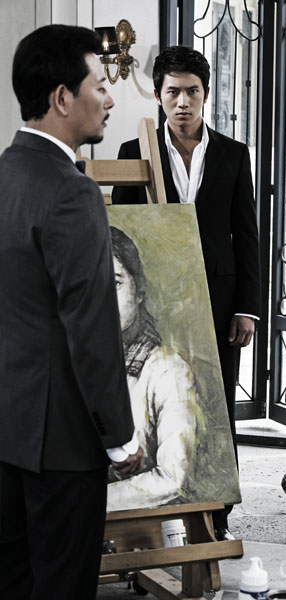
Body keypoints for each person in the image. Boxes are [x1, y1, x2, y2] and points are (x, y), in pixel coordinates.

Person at [0, 24, 142, 600]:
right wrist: (120, 438)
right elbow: (92, 328)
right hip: (62, 443)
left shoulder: (6, 173)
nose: (109, 100)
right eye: (99, 86)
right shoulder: (71, 190)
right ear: (62, 98)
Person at [112, 45, 261, 540]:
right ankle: (150, 516)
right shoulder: (134, 152)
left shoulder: (234, 154)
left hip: (220, 304)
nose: (182, 102)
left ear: (206, 94)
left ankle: (217, 517)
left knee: (215, 405)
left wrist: (248, 308)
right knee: (154, 405)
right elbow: (124, 232)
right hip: (157, 304)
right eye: (173, 92)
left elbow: (247, 236)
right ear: (158, 95)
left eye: (192, 92)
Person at [107, 226, 200, 510]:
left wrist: (87, 500)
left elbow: (172, 478)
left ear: (138, 290)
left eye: (115, 283)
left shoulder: (166, 369)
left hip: (130, 520)